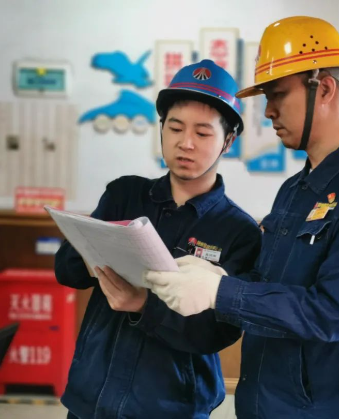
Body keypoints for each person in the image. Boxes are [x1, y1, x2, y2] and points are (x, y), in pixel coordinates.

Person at [146, 16, 339, 419]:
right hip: (267, 404)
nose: (268, 111)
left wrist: (220, 293)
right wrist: (221, 279)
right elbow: (271, 287)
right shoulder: (296, 189)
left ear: (324, 88)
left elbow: (332, 313)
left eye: (277, 95)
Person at [55, 59, 261, 419]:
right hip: (93, 396)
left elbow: (218, 333)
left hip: (172, 406)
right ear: (162, 128)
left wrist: (143, 305)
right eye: (175, 127)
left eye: (203, 133)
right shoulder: (125, 195)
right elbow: (66, 271)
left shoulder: (238, 231)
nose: (186, 143)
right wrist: (93, 253)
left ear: (228, 141)